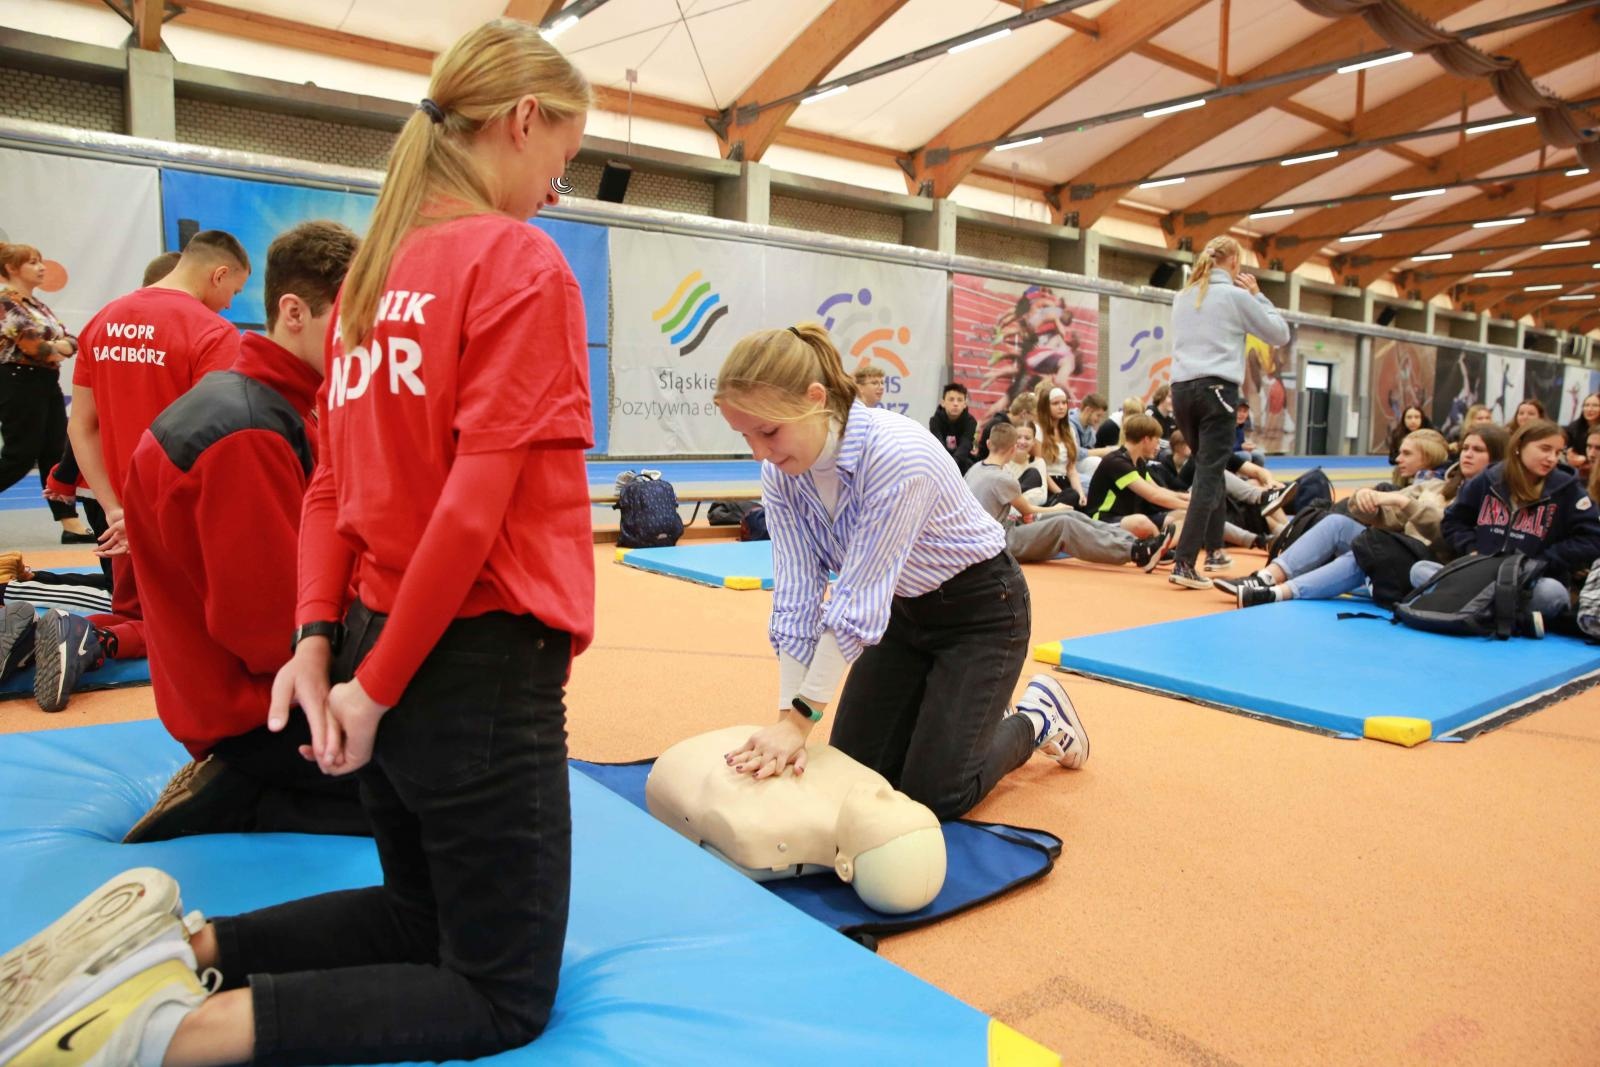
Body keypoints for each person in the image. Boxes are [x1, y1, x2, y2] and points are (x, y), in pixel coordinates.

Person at [2, 19, 594, 1066]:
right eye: (563, 154)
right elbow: (470, 507)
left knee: (419, 917)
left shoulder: (371, 280)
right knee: (502, 993)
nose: (557, 185)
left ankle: (176, 950)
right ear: (523, 118)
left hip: (372, 635)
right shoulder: (514, 261)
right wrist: (371, 683)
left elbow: (331, 486)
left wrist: (324, 645)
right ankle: (165, 1033)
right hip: (474, 657)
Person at [715, 323, 1093, 824]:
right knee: (856, 773)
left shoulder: (895, 454)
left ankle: (1035, 719)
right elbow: (798, 594)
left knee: (936, 793)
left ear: (814, 398)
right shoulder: (781, 475)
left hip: (981, 615)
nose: (759, 453)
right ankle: (957, 718)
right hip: (901, 616)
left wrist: (800, 723)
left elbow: (854, 603)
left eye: (768, 432)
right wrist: (789, 714)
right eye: (746, 436)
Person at [116, 221, 366, 844]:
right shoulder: (248, 432)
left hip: (256, 692)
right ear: (293, 313)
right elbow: (270, 631)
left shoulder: (274, 405)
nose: (369, 339)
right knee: (450, 799)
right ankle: (248, 797)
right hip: (257, 713)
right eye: (355, 319)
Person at [42, 230, 250, 712]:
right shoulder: (212, 333)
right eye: (234, 291)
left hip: (118, 513)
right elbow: (217, 441)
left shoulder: (103, 321)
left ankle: (55, 632)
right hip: (176, 511)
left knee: (133, 609)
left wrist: (117, 506)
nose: (228, 303)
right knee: (198, 633)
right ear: (220, 273)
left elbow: (81, 427)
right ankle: (98, 643)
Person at [1225, 428, 1493, 608]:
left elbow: (1446, 534)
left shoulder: (1487, 498)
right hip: (1399, 551)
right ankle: (1266, 578)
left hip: (1427, 566)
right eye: (1466, 448)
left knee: (1367, 551)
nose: (1467, 454)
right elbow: (1385, 513)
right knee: (1338, 524)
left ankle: (1279, 593)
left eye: (1477, 450)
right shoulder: (1438, 486)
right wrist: (1366, 500)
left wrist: (1402, 502)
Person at [1167, 235, 1290, 589]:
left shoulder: (1183, 297)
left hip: (1181, 390)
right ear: (1234, 262)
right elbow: (1278, 333)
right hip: (1217, 390)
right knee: (1208, 473)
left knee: (1212, 467)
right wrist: (1257, 295)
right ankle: (1185, 563)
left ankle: (1216, 550)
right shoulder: (1236, 297)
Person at [1420, 418, 1600, 622]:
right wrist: (1471, 549)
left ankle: (1473, 606)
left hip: (1530, 582)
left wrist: (1544, 560)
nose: (1551, 458)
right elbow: (1454, 520)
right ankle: (1496, 611)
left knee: (1552, 593)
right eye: (1545, 449)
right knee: (1420, 570)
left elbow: (1592, 539)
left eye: (1558, 452)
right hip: (1483, 574)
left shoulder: (1568, 490)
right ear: (1519, 446)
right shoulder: (1489, 479)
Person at [967, 420, 1173, 570]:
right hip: (1001, 542)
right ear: (1013, 449)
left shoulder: (975, 469)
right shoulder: (1003, 479)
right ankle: (1136, 551)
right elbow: (1027, 510)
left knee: (1070, 516)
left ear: (987, 444)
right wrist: (1055, 508)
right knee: (1064, 524)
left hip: (1002, 530)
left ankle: (1138, 544)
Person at [0, 242, 95, 544]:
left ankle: (70, 522)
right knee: (20, 454)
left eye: (40, 261)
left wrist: (56, 347)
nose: (41, 267)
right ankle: (69, 519)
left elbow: (70, 339)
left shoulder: (35, 305)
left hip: (44, 382)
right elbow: (36, 347)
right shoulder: (5, 301)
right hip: (18, 381)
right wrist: (56, 348)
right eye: (32, 262)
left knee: (55, 453)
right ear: (12, 269)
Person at [1084, 414, 1190, 542]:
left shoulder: (1139, 462)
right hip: (1102, 520)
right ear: (1146, 439)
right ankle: (1156, 548)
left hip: (1127, 519)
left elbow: (1158, 490)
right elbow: (1153, 496)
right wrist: (1194, 506)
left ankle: (1160, 548)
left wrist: (1188, 499)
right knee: (1141, 522)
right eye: (1156, 441)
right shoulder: (1117, 462)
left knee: (1184, 516)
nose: (1158, 447)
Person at [1034, 384, 1084, 506]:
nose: (1061, 407)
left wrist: (1081, 493)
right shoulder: (1038, 430)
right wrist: (1060, 493)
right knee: (1071, 498)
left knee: (1078, 498)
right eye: (1055, 404)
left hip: (1065, 483)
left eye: (1064, 403)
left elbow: (1071, 469)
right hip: (1046, 484)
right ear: (1045, 407)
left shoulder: (1070, 430)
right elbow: (1040, 468)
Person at [928, 381, 977, 473]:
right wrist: (948, 464)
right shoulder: (935, 421)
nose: (955, 404)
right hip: (941, 461)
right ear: (943, 403)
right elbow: (939, 444)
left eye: (959, 400)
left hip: (962, 461)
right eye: (951, 399)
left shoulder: (971, 422)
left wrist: (954, 463)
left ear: (965, 404)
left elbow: (965, 444)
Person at [1067, 392, 1115, 477]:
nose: (1099, 420)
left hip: (1078, 466)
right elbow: (1074, 453)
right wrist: (1104, 451)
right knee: (1095, 462)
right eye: (1098, 415)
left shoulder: (1091, 431)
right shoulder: (1069, 424)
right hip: (1068, 466)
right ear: (1088, 410)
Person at [1564, 392, 1600, 466]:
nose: (1589, 409)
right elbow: (1565, 449)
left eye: (1595, 405)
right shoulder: (1573, 428)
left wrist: (1586, 460)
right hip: (1577, 467)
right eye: (1586, 405)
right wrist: (1569, 455)